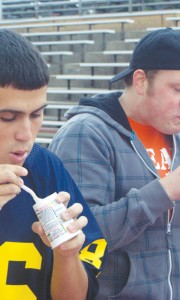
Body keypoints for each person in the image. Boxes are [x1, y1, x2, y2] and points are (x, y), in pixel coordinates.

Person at [49, 28, 180, 300]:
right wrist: (165, 191)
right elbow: (80, 235)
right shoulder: (86, 134)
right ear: (140, 81)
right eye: (178, 89)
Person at [0, 29, 107, 300]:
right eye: (7, 117)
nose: (26, 134)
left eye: (36, 114)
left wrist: (67, 255)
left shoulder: (42, 165)